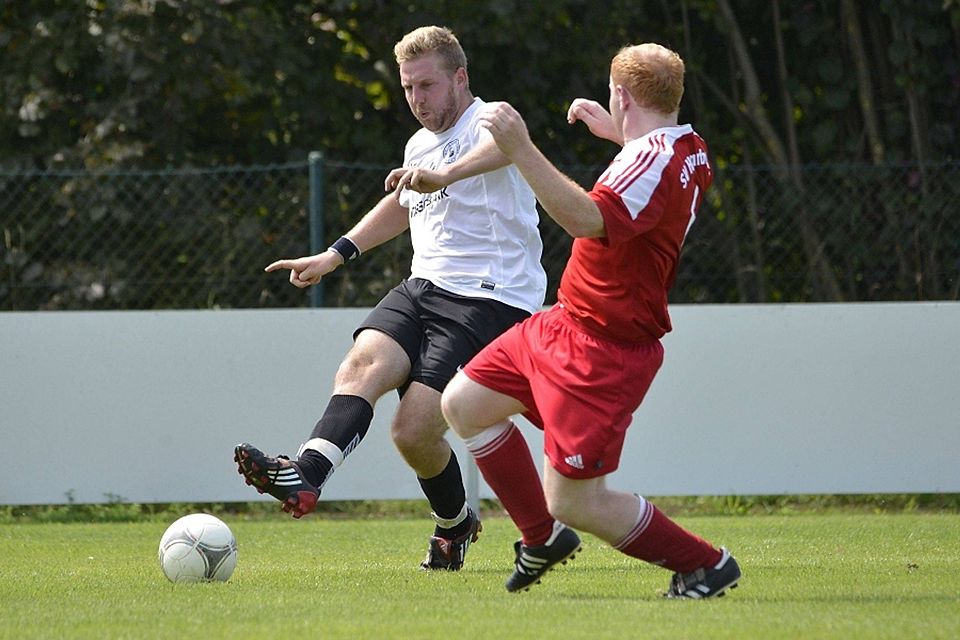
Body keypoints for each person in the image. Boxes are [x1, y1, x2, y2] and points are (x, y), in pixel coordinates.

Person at [234, 25, 547, 572]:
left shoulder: (491, 117)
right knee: (360, 365)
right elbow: (403, 205)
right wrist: (333, 255)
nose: (417, 100)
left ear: (460, 77)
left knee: (412, 431)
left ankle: (455, 526)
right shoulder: (418, 144)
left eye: (426, 85)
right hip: (423, 286)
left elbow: (507, 150)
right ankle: (305, 475)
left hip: (489, 298)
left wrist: (442, 174)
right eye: (407, 89)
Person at [436, 42, 741, 596]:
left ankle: (706, 564)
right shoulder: (688, 147)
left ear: (621, 95)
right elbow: (649, 172)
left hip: (603, 348)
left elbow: (584, 219)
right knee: (462, 403)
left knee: (575, 500)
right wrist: (617, 134)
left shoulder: (647, 161)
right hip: (565, 322)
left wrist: (521, 147)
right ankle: (541, 540)